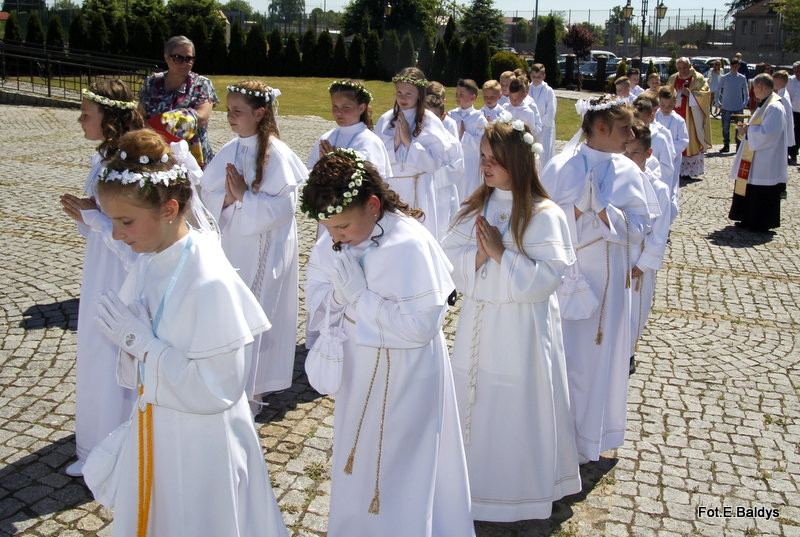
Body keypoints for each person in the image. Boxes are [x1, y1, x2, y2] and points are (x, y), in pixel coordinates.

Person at [88, 129, 288, 537]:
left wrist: (141, 345)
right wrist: (135, 350)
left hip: (201, 447)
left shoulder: (208, 280)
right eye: (112, 221)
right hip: (160, 430)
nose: (116, 234)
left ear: (169, 209)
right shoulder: (151, 259)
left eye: (125, 221)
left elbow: (217, 389)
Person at [302, 148, 474, 537]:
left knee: (399, 465)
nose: (336, 236)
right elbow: (316, 299)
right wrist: (338, 299)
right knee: (356, 461)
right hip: (357, 370)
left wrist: (360, 298)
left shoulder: (409, 244)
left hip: (405, 377)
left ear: (373, 205)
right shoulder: (334, 240)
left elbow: (419, 328)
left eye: (342, 226)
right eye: (328, 227)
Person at [442, 116, 581, 522]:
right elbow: (447, 260)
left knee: (517, 401)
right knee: (475, 395)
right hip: (479, 321)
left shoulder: (544, 213)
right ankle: (472, 485)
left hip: (522, 330)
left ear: (518, 162)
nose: (485, 167)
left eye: (495, 160)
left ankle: (518, 490)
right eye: (482, 157)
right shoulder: (475, 207)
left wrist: (502, 253)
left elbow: (545, 281)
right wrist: (478, 256)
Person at [540, 95, 656, 464]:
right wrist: (573, 211)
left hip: (609, 288)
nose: (631, 134)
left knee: (599, 360)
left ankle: (590, 436)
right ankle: (555, 436)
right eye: (625, 127)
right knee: (565, 357)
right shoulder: (561, 166)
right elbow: (538, 221)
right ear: (601, 128)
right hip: (566, 280)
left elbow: (642, 226)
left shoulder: (629, 171)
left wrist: (607, 214)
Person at [200, 81, 307, 408]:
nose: (229, 117)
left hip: (264, 247)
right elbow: (207, 194)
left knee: (256, 308)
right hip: (233, 240)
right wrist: (229, 199)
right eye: (228, 110)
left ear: (260, 113)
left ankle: (253, 386)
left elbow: (283, 209)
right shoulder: (231, 149)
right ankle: (226, 375)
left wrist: (245, 196)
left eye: (237, 111)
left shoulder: (277, 154)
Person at [58, 81, 144, 477]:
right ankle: (97, 443)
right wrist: (88, 212)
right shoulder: (105, 158)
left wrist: (91, 216)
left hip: (119, 275)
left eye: (85, 114)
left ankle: (115, 450)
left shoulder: (126, 163)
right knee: (96, 351)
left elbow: (133, 235)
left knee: (112, 354)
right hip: (100, 269)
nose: (79, 120)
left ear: (109, 119)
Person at [374, 67, 458, 239]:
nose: (403, 98)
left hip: (418, 188)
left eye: (409, 94)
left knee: (417, 235)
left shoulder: (430, 121)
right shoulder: (386, 119)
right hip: (391, 188)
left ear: (420, 94)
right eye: (399, 93)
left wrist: (409, 142)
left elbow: (434, 163)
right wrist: (395, 143)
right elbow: (376, 157)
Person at [624, 122, 671, 372]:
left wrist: (644, 263)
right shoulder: (614, 180)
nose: (629, 159)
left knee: (636, 308)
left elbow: (660, 232)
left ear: (648, 154)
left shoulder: (658, 189)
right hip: (615, 255)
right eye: (625, 152)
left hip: (638, 261)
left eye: (635, 153)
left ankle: (628, 351)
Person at [139, 35, 219, 166]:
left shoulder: (201, 84)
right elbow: (140, 115)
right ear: (166, 57)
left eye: (189, 58)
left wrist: (157, 125)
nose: (185, 63)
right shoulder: (152, 82)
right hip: (155, 153)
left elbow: (201, 118)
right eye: (178, 58)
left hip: (191, 157)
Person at [729, 74, 788, 232]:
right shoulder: (766, 104)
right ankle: (748, 218)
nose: (753, 91)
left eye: (754, 88)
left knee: (761, 191)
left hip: (765, 159)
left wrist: (748, 130)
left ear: (761, 87)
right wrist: (748, 130)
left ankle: (760, 222)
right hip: (756, 157)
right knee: (751, 188)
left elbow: (770, 134)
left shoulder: (774, 107)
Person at [307, 80, 391, 179]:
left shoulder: (369, 141)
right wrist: (322, 165)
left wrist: (335, 163)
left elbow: (374, 179)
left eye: (346, 107)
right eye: (335, 106)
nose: (338, 112)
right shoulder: (327, 138)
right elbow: (309, 172)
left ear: (361, 108)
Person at [425, 92, 466, 240]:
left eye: (433, 118)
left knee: (440, 230)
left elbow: (457, 169)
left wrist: (430, 175)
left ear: (442, 117)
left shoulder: (451, 143)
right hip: (421, 192)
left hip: (442, 194)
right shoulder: (416, 139)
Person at [666, 57, 712, 180]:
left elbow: (706, 94)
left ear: (690, 65)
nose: (683, 71)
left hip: (691, 117)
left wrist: (691, 94)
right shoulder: (673, 78)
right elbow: (666, 93)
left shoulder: (698, 78)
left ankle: (688, 170)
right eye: (680, 68)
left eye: (685, 67)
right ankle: (674, 167)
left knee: (689, 138)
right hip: (674, 114)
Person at [633, 95, 676, 221]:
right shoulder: (628, 137)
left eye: (640, 119)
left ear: (650, 117)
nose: (636, 123)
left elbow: (667, 169)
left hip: (652, 188)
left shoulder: (660, 138)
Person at [448, 78, 488, 202]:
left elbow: (481, 143)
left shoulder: (479, 119)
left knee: (468, 191)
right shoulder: (451, 115)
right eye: (457, 94)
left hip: (470, 163)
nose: (457, 97)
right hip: (454, 160)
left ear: (473, 97)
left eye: (461, 94)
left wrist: (464, 136)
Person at [655, 86, 689, 219]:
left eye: (669, 105)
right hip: (654, 157)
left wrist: (668, 150)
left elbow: (683, 141)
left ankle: (667, 217)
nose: (665, 108)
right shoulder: (655, 116)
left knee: (669, 187)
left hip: (672, 159)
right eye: (662, 105)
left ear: (674, 102)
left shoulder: (678, 120)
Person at [717, 59, 749, 154]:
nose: (735, 68)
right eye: (733, 66)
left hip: (738, 106)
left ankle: (738, 146)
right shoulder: (724, 77)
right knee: (725, 127)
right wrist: (718, 102)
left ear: (739, 66)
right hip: (726, 106)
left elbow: (746, 91)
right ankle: (726, 144)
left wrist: (745, 103)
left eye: (737, 66)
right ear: (730, 66)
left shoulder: (742, 78)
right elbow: (718, 90)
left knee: (739, 127)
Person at [528, 63, 558, 164]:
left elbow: (551, 111)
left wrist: (539, 124)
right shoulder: (527, 88)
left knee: (544, 153)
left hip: (545, 127)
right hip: (531, 126)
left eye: (539, 77)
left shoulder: (548, 91)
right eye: (533, 77)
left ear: (544, 76)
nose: (536, 79)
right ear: (530, 75)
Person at [772, 70, 796, 166]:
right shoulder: (780, 94)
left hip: (781, 132)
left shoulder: (783, 97)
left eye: (774, 81)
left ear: (780, 82)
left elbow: (782, 117)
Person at [786, 61, 800, 165]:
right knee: (792, 133)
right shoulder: (789, 81)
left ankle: (794, 151)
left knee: (798, 134)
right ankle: (792, 154)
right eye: (797, 71)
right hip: (791, 111)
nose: (798, 73)